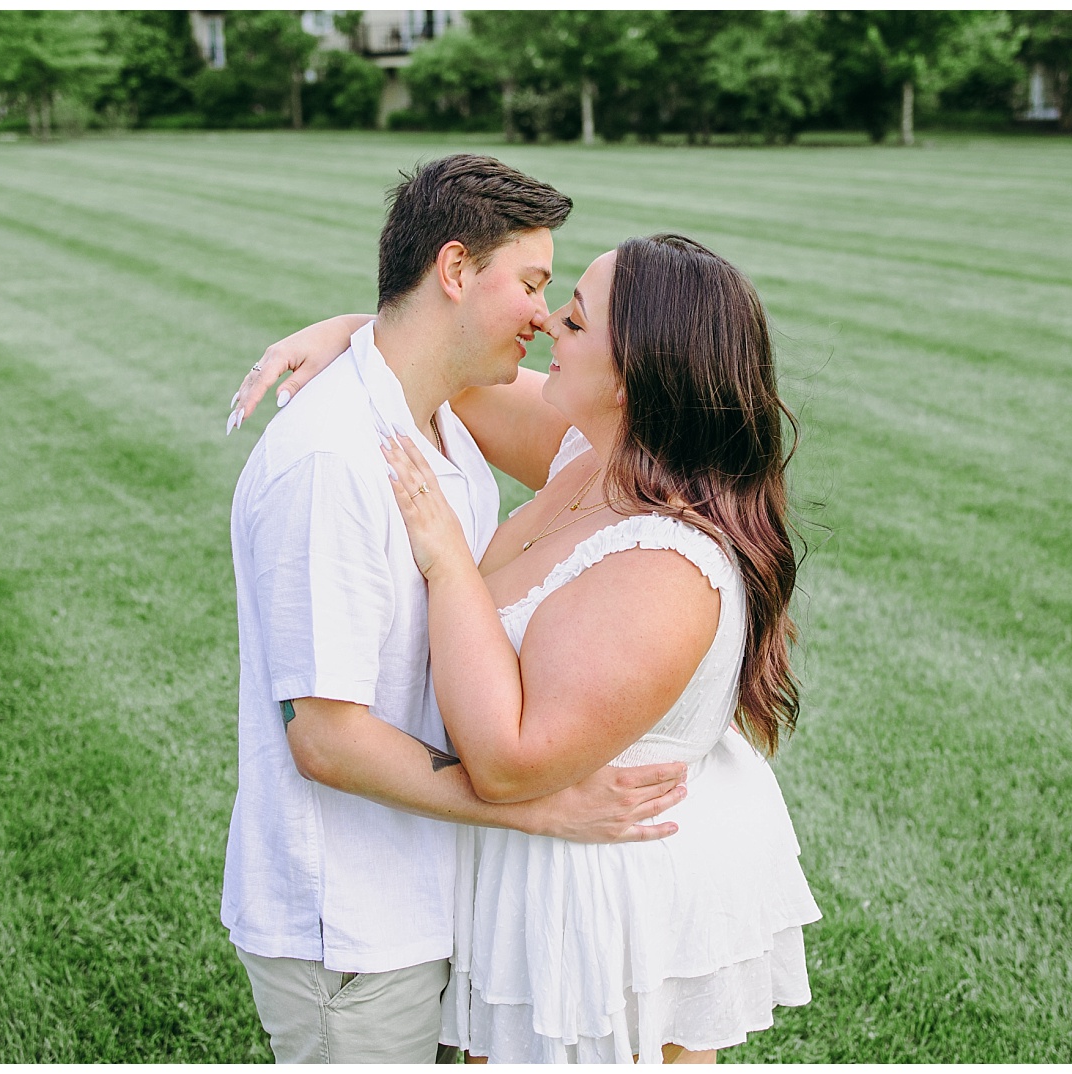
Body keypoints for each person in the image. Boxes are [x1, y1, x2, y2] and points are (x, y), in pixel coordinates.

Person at [232, 234, 821, 1063]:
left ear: (633, 378)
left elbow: (508, 760)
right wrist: (349, 329)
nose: (548, 329)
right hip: (529, 864)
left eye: (576, 322)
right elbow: (434, 367)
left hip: (594, 897)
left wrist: (445, 559)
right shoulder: (591, 454)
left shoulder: (664, 565)